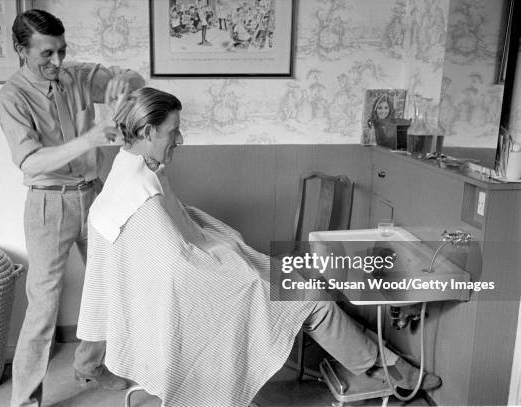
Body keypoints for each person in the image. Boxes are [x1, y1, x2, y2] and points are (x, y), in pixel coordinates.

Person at [77, 88, 442, 407]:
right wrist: (244, 272)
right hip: (195, 299)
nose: (181, 139)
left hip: (190, 286)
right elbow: (181, 266)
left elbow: (180, 237)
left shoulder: (131, 174)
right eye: (174, 131)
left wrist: (229, 251)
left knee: (303, 283)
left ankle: (377, 362)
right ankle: (386, 368)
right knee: (314, 301)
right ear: (147, 131)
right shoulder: (140, 195)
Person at [0, 9, 144, 407]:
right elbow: (31, 162)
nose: (57, 62)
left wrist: (121, 81)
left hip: (95, 197)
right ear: (21, 51)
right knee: (43, 306)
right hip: (48, 205)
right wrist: (91, 137)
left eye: (61, 51)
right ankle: (26, 399)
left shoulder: (75, 75)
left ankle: (91, 366)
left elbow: (135, 78)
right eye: (46, 54)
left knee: (109, 286)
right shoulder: (11, 96)